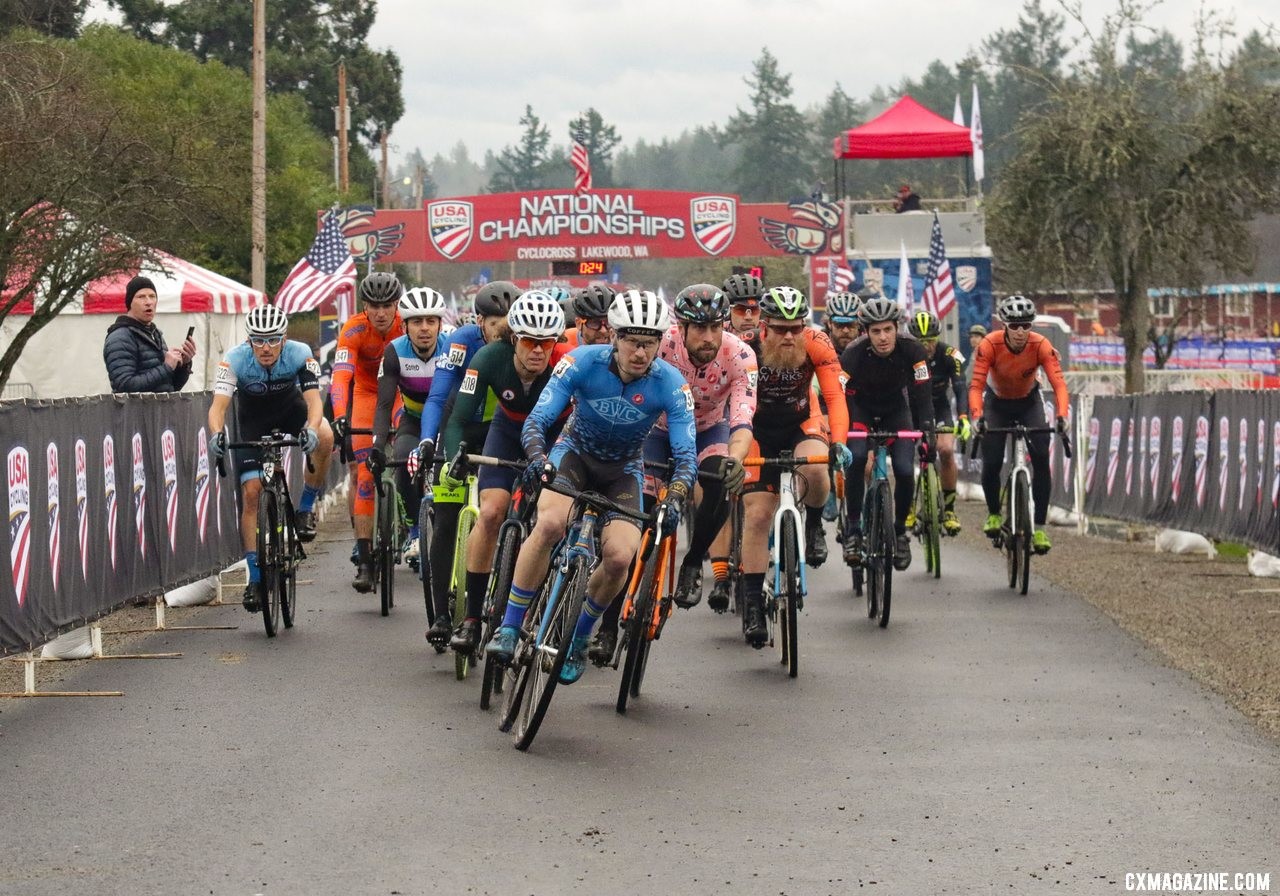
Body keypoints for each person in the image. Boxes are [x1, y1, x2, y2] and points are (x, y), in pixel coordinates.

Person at [486, 289, 697, 686]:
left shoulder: (671, 383)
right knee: (549, 525)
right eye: (633, 342)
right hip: (574, 455)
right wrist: (537, 460)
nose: (640, 352)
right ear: (614, 337)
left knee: (620, 556)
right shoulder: (580, 362)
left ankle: (580, 637)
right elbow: (537, 420)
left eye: (649, 344)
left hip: (623, 470)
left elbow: (686, 452)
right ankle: (510, 626)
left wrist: (678, 497)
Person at [588, 284, 756, 661]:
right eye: (699, 328)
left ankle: (694, 561)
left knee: (719, 481)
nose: (708, 337)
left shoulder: (741, 355)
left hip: (710, 430)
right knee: (635, 521)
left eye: (716, 327)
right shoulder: (660, 347)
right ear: (680, 327)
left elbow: (743, 415)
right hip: (657, 430)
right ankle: (608, 626)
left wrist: (737, 457)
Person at [440, 292, 570, 654]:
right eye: (530, 341)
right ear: (514, 338)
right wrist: (455, 459)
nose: (538, 351)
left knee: (552, 521)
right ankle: (471, 619)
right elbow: (459, 421)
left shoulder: (565, 364)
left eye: (547, 342)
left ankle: (547, 604)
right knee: (492, 512)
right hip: (506, 433)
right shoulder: (487, 358)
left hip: (552, 440)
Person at [739, 286, 850, 646]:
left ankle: (814, 526)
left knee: (819, 471)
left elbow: (834, 395)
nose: (789, 336)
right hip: (756, 429)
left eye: (795, 328)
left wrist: (840, 443)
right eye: (780, 328)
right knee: (757, 515)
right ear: (764, 328)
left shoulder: (817, 342)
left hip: (801, 422)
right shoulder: (745, 349)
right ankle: (754, 604)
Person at [206, 305, 333, 610]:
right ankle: (255, 578)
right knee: (252, 494)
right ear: (248, 340)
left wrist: (311, 428)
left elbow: (314, 402)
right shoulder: (234, 359)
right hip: (253, 420)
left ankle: (304, 509)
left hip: (292, 410)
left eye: (273, 340)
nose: (265, 348)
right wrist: (216, 433)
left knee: (327, 435)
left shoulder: (300, 353)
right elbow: (218, 407)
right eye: (258, 340)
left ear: (284, 338)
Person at [417, 280, 518, 646]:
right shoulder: (461, 342)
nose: (504, 329)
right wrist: (431, 441)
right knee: (446, 518)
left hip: (503, 433)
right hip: (461, 428)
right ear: (480, 321)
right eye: (495, 322)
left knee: (511, 514)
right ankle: (442, 616)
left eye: (509, 320)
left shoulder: (523, 344)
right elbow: (438, 395)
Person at [839, 296, 935, 571]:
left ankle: (901, 532)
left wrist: (927, 431)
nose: (882, 337)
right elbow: (839, 396)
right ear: (866, 332)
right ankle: (855, 530)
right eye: (876, 331)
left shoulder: (913, 350)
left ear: (897, 328)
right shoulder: (853, 355)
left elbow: (924, 396)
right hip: (861, 410)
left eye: (888, 330)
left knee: (905, 470)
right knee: (856, 459)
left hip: (896, 410)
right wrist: (841, 433)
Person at [969, 294, 1070, 554]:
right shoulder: (989, 344)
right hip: (997, 403)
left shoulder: (1041, 344)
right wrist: (977, 416)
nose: (1021, 331)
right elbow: (976, 385)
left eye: (1026, 325)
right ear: (1004, 325)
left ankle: (1039, 528)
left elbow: (1059, 384)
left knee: (1040, 459)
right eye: (1015, 326)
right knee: (991, 461)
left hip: (1029, 402)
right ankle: (993, 513)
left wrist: (1061, 417)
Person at [330, 271, 405, 593]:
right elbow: (341, 376)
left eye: (387, 305)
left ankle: (410, 527)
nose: (380, 312)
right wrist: (338, 417)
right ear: (365, 306)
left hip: (402, 392)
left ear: (396, 305)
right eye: (374, 305)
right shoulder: (355, 329)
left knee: (406, 456)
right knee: (363, 474)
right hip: (366, 396)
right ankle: (364, 560)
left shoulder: (408, 324)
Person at [369, 287, 449, 569]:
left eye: (431, 321)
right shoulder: (394, 352)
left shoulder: (453, 347)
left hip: (448, 423)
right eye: (416, 322)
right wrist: (378, 446)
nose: (424, 329)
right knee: (402, 460)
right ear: (404, 326)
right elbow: (383, 405)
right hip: (412, 421)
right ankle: (414, 532)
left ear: (441, 323)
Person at [905, 311, 968, 535]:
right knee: (904, 456)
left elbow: (960, 387)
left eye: (930, 340)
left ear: (938, 338)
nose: (926, 346)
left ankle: (950, 510)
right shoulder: (904, 354)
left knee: (946, 450)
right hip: (911, 409)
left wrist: (963, 417)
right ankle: (908, 507)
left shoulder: (951, 354)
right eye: (921, 341)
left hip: (939, 407)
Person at [104, 275, 196, 393]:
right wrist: (166, 368)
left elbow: (170, 387)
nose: (148, 302)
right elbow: (124, 386)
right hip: (136, 412)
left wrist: (184, 365)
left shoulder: (155, 334)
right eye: (141, 297)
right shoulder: (120, 337)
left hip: (161, 410)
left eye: (152, 296)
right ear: (130, 303)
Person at [722, 272, 764, 357]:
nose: (748, 317)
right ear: (729, 311)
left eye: (754, 309)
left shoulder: (772, 331)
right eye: (740, 309)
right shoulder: (718, 333)